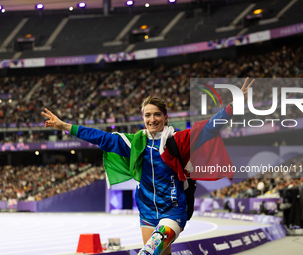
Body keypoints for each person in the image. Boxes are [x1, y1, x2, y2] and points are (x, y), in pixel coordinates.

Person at [42, 78, 254, 255]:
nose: (152, 119)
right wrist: (65, 126)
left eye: (157, 114)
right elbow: (102, 138)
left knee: (147, 253)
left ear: (165, 117)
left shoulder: (178, 140)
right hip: (147, 212)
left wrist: (232, 106)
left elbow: (208, 129)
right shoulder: (135, 143)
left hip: (172, 211)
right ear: (143, 118)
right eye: (148, 115)